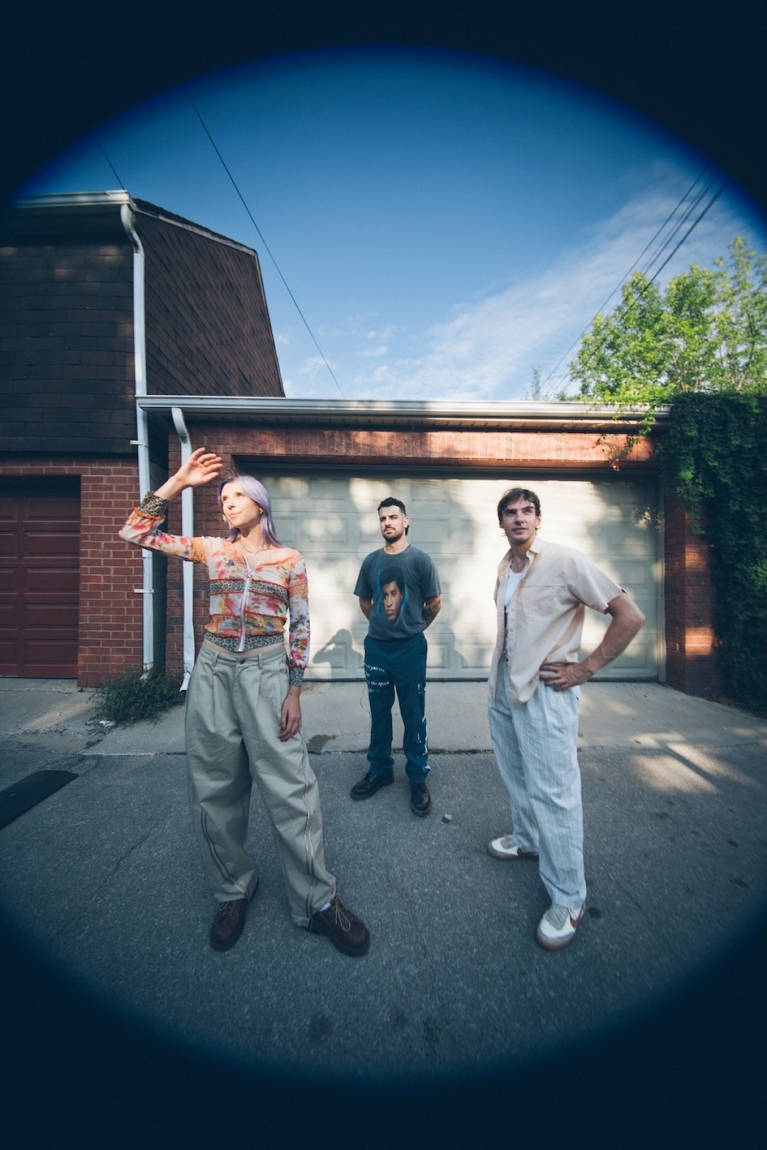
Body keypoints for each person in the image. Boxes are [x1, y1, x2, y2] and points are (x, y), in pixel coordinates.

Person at [119, 448, 369, 958]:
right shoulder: (212, 549)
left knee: (293, 788)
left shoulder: (290, 560)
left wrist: (294, 689)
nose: (227, 503)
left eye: (237, 496)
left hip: (267, 672)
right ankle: (233, 890)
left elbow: (301, 626)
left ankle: (318, 901)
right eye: (222, 498)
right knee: (214, 787)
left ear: (260, 504)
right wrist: (178, 482)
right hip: (213, 672)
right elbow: (135, 532)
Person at [486, 486, 645, 951]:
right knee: (516, 774)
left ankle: (569, 897)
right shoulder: (506, 567)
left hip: (547, 691)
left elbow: (629, 615)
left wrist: (584, 669)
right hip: (506, 685)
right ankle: (528, 839)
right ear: (501, 523)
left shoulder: (565, 561)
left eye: (527, 511)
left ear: (538, 519)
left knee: (555, 794)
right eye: (510, 512)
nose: (519, 518)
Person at [351, 497, 442, 817]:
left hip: (410, 649)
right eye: (382, 518)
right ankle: (380, 770)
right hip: (377, 648)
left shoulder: (420, 560)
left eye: (393, 517)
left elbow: (434, 603)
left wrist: (412, 629)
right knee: (379, 713)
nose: (387, 522)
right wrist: (382, 626)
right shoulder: (371, 562)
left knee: (413, 714)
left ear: (405, 521)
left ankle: (417, 777)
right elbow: (365, 601)